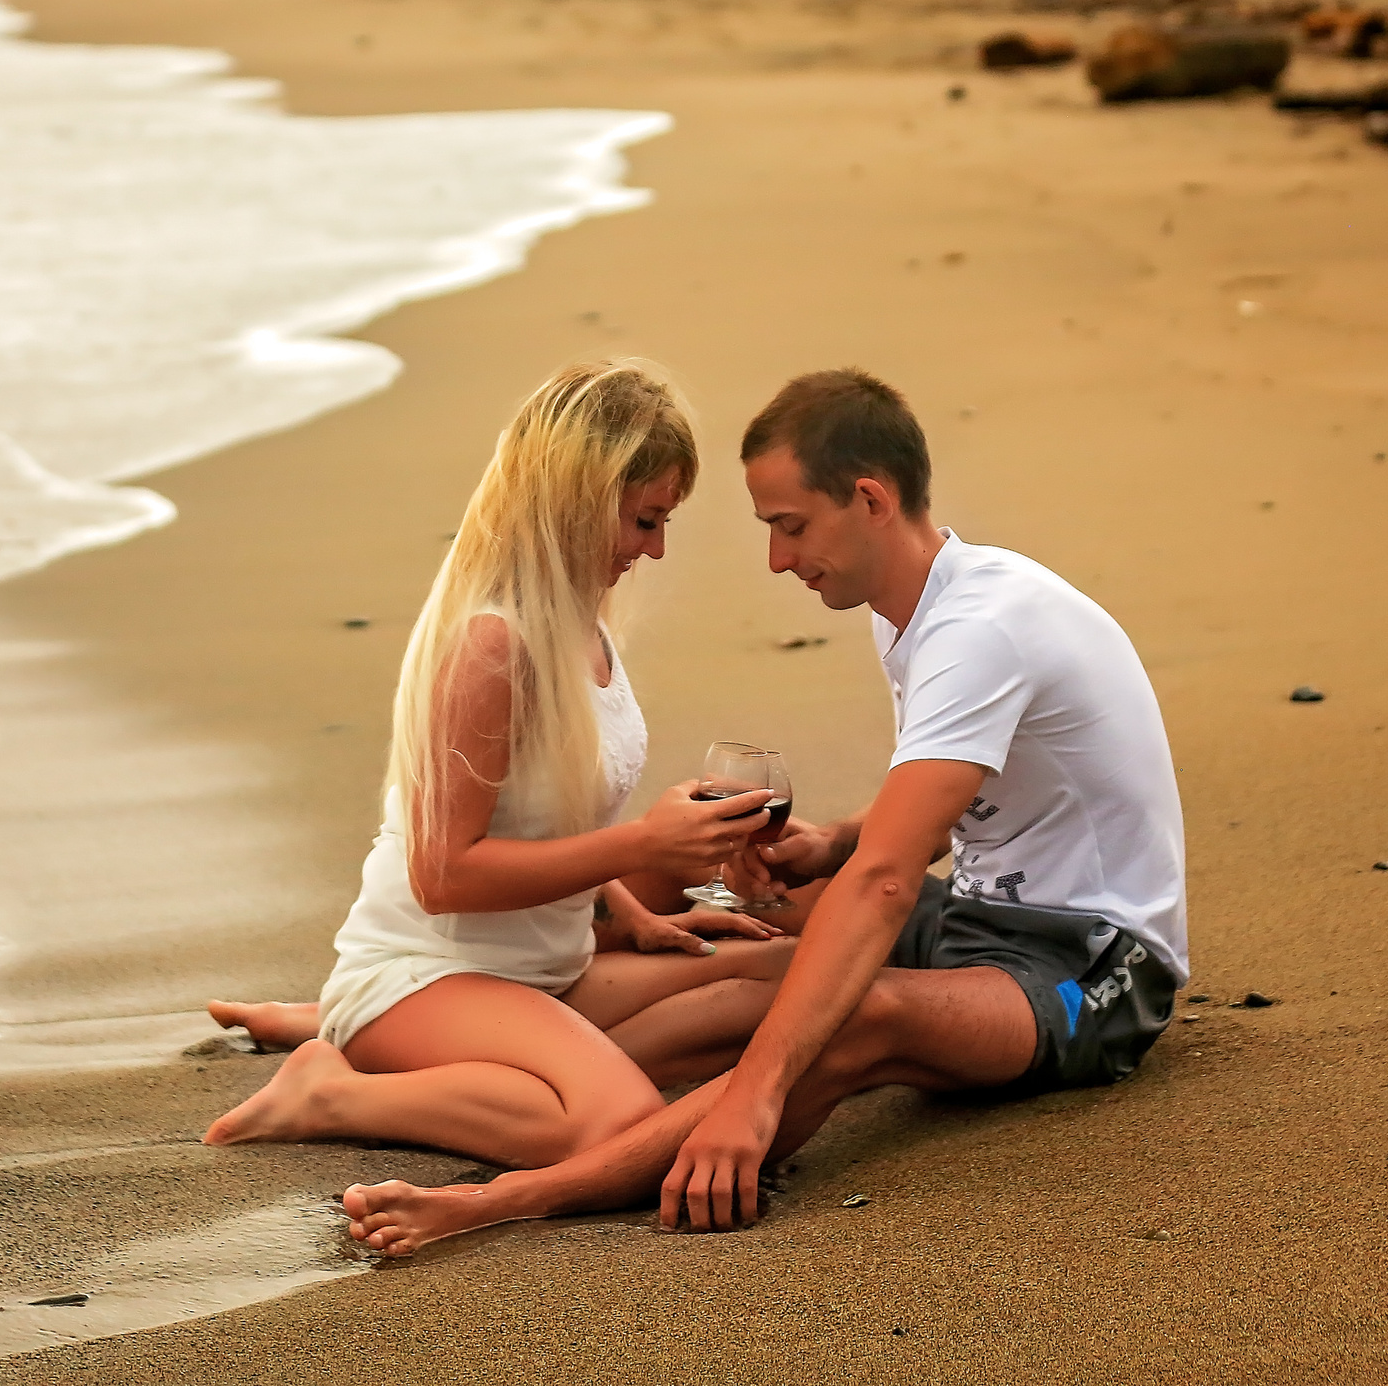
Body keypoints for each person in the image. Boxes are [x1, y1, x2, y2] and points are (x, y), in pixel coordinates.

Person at [342, 368, 1190, 1252]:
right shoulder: (919, 609)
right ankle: (440, 1020)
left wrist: (757, 1092)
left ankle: (518, 1193)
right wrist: (829, 845)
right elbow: (944, 813)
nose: (779, 560)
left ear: (868, 497)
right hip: (979, 914)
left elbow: (893, 879)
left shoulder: (982, 630)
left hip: (1087, 959)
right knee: (733, 897)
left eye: (790, 526)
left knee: (859, 1012)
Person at [201, 362, 804, 1169]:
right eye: (644, 519)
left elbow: (551, 812)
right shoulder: (494, 646)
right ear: (577, 503)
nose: (655, 547)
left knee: (782, 979)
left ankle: (439, 1054)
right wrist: (643, 849)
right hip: (430, 970)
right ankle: (331, 1087)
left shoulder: (581, 621)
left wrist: (634, 912)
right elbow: (443, 875)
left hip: (542, 970)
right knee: (614, 1120)